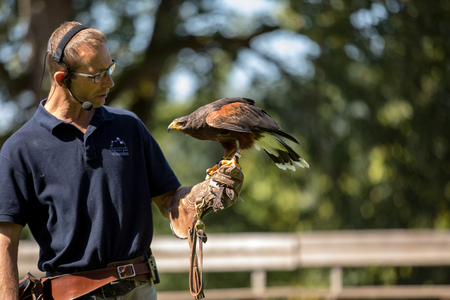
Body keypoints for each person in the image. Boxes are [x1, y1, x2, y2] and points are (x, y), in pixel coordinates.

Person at [0, 21, 243, 300]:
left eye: (110, 68)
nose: (110, 82)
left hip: (140, 290)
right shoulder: (20, 149)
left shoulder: (128, 126)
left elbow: (169, 201)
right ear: (61, 78)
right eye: (97, 75)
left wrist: (200, 195)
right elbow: (4, 244)